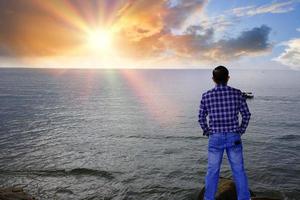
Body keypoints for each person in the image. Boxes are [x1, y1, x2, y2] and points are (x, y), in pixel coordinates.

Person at [198, 66, 251, 200]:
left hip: (215, 138)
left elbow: (201, 117)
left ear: (213, 79)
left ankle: (208, 198)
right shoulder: (237, 93)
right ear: (228, 78)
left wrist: (207, 131)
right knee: (238, 171)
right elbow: (246, 114)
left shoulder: (206, 95)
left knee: (212, 171)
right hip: (234, 137)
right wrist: (240, 130)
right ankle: (244, 198)